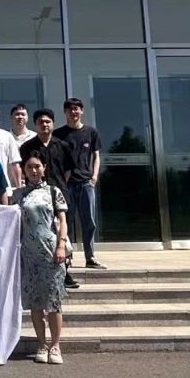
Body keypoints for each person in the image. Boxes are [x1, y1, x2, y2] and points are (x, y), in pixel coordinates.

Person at [12, 151, 70, 365]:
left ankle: (55, 345)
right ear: (24, 171)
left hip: (52, 252)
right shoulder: (19, 195)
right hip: (28, 255)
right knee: (36, 302)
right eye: (29, 167)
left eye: (37, 166)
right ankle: (42, 344)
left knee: (53, 302)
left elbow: (62, 221)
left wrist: (61, 245)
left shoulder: (54, 192)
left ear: (44, 168)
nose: (33, 170)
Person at [20, 108, 79, 289]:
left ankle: (65, 271)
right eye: (40, 122)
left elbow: (68, 171)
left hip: (58, 195)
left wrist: (57, 188)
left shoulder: (63, 145)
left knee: (62, 232)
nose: (44, 125)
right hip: (36, 197)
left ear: (53, 124)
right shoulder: (27, 147)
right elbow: (25, 170)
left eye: (47, 122)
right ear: (35, 125)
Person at [55, 98, 105, 270]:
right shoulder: (59, 134)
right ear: (65, 112)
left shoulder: (91, 132)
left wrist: (94, 177)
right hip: (66, 184)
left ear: (82, 111)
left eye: (76, 109)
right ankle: (67, 257)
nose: (73, 112)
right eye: (70, 109)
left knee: (89, 221)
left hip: (86, 183)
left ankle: (90, 256)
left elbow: (96, 156)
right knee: (65, 221)